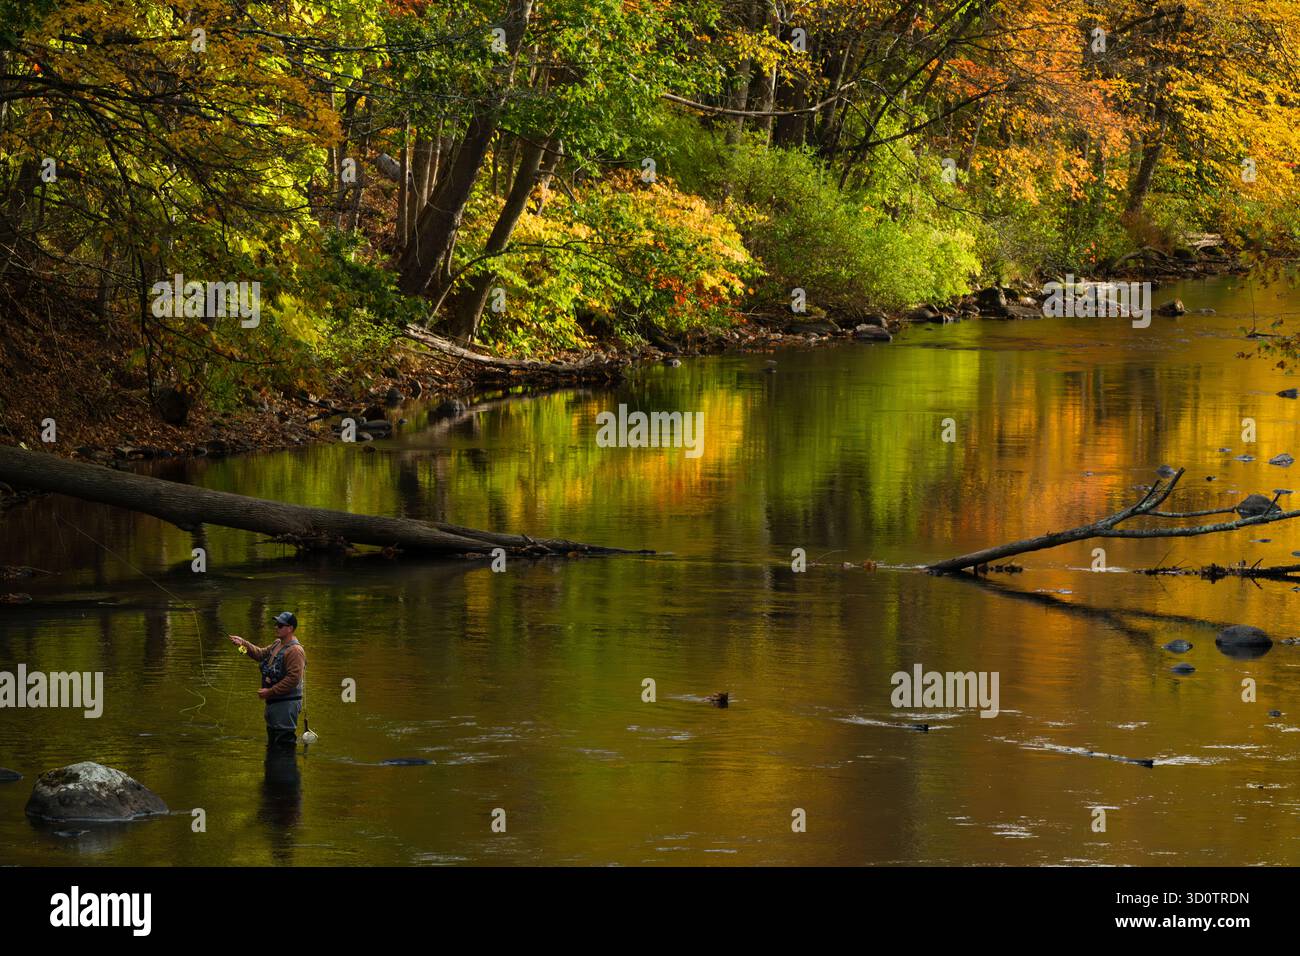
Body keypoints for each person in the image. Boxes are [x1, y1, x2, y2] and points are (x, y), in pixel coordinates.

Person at [229, 612, 307, 747]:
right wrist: (242, 645)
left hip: (286, 705)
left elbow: (293, 679)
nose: (276, 627)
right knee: (273, 744)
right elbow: (259, 655)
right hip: (274, 703)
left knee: (284, 744)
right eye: (276, 624)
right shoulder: (277, 643)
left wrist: (270, 692)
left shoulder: (295, 651)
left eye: (281, 625)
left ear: (290, 628)